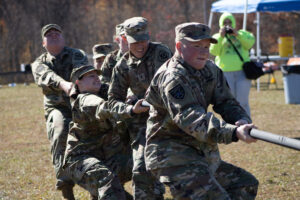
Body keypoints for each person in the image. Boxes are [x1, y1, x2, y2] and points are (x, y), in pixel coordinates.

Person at [144, 22, 259, 199]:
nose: (204, 52)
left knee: (244, 185)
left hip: (198, 151)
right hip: (171, 154)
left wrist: (241, 119)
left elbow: (226, 101)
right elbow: (191, 118)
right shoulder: (173, 77)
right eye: (197, 46)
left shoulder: (210, 70)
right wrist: (233, 132)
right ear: (179, 46)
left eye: (206, 46)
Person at [108, 16, 172, 199]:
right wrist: (131, 110)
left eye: (144, 40)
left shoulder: (161, 53)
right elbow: (112, 101)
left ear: (149, 36)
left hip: (170, 117)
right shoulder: (122, 66)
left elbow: (173, 82)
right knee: (141, 169)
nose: (141, 46)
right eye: (135, 42)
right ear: (126, 40)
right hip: (142, 123)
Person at [31, 24, 88, 199]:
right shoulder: (39, 63)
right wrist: (63, 84)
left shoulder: (76, 54)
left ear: (64, 39)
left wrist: (74, 85)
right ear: (43, 43)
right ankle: (65, 187)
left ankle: (102, 187)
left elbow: (81, 72)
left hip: (81, 104)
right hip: (58, 108)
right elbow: (46, 76)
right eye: (49, 35)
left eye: (57, 33)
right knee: (60, 129)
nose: (54, 36)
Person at [63, 64, 134, 200]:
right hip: (80, 160)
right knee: (107, 181)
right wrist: (129, 109)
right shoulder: (84, 100)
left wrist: (131, 97)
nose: (97, 79)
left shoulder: (104, 91)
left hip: (106, 156)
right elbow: (103, 107)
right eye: (91, 76)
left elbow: (123, 89)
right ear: (78, 82)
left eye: (97, 75)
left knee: (142, 163)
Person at [210, 12, 255, 116]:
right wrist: (221, 37)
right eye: (224, 22)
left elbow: (249, 44)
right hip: (225, 73)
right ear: (220, 23)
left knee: (242, 101)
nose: (227, 24)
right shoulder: (216, 37)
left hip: (242, 73)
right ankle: (231, 127)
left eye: (229, 22)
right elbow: (213, 51)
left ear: (233, 23)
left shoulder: (242, 34)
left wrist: (237, 35)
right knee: (229, 101)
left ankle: (247, 125)